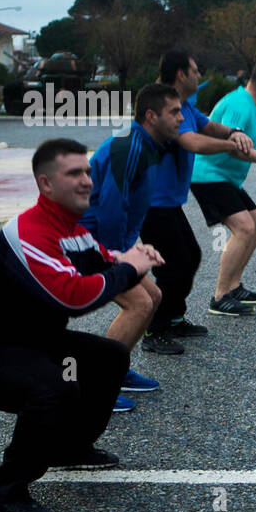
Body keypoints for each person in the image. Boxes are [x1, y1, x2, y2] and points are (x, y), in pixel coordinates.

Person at [0, 138, 163, 512]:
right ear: (46, 184)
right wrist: (129, 268)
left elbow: (100, 260)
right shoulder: (28, 233)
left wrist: (132, 258)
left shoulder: (72, 229)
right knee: (55, 387)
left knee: (109, 358)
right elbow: (72, 298)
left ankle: (71, 449)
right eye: (74, 173)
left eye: (88, 172)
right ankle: (3, 491)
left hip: (35, 344)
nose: (86, 181)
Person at [141, 50, 254, 355]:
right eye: (194, 70)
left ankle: (174, 318)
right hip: (150, 201)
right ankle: (155, 330)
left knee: (189, 256)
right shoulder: (165, 107)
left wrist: (233, 130)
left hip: (168, 202)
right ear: (180, 74)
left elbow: (208, 126)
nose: (199, 75)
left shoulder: (185, 106)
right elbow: (191, 140)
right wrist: (230, 145)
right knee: (173, 263)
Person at [78, 83, 182, 402]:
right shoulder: (130, 147)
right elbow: (110, 208)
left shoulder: (148, 145)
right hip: (86, 243)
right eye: (174, 112)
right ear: (151, 115)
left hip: (107, 243)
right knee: (139, 304)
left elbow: (128, 208)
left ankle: (116, 370)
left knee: (154, 295)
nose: (181, 118)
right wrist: (117, 258)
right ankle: (95, 384)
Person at [189, 59, 256, 317]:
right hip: (208, 176)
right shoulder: (239, 105)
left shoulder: (253, 104)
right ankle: (220, 296)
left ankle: (234, 287)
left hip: (225, 178)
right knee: (244, 227)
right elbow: (234, 145)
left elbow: (254, 137)